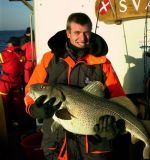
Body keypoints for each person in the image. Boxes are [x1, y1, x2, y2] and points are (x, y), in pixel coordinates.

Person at [24, 13, 137, 160]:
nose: (82, 39)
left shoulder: (102, 63)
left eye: (86, 33)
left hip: (94, 146)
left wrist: (115, 129)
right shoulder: (49, 59)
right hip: (58, 144)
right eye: (77, 33)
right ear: (68, 33)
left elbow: (119, 99)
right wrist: (34, 109)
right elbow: (30, 91)